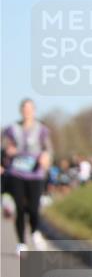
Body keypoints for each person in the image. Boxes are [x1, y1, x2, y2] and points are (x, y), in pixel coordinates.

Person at [2, 99, 54, 257]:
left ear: (34, 110)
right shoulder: (11, 129)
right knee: (19, 207)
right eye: (24, 108)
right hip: (16, 172)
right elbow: (3, 146)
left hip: (35, 173)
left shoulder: (42, 129)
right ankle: (21, 243)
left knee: (33, 207)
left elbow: (49, 149)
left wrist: (46, 157)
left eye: (30, 108)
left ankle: (35, 231)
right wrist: (6, 152)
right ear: (21, 110)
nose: (27, 111)